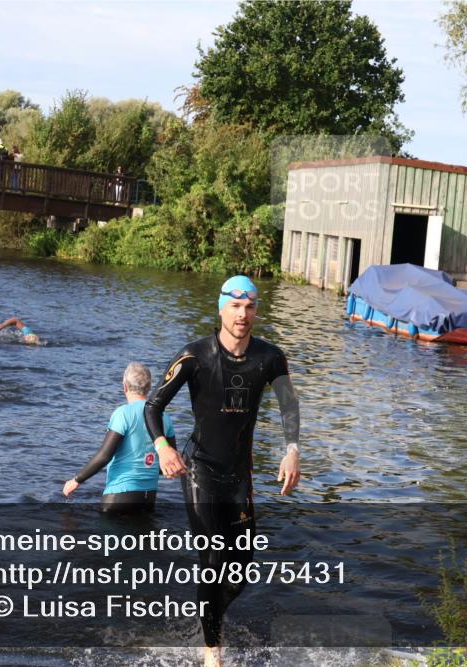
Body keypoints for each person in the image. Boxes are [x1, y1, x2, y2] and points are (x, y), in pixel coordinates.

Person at [144, 275, 301, 667]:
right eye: (235, 306)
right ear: (221, 309)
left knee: (238, 575)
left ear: (256, 312)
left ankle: (210, 615)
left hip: (240, 477)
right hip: (201, 470)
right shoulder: (195, 356)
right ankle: (212, 650)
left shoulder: (270, 357)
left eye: (249, 307)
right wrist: (163, 447)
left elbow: (289, 405)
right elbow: (153, 407)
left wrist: (292, 451)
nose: (242, 315)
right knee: (212, 559)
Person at [62, 362, 176, 513]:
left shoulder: (123, 413)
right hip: (149, 499)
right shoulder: (164, 417)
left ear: (125, 387)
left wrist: (76, 480)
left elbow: (105, 455)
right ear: (148, 388)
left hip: (119, 496)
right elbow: (168, 464)